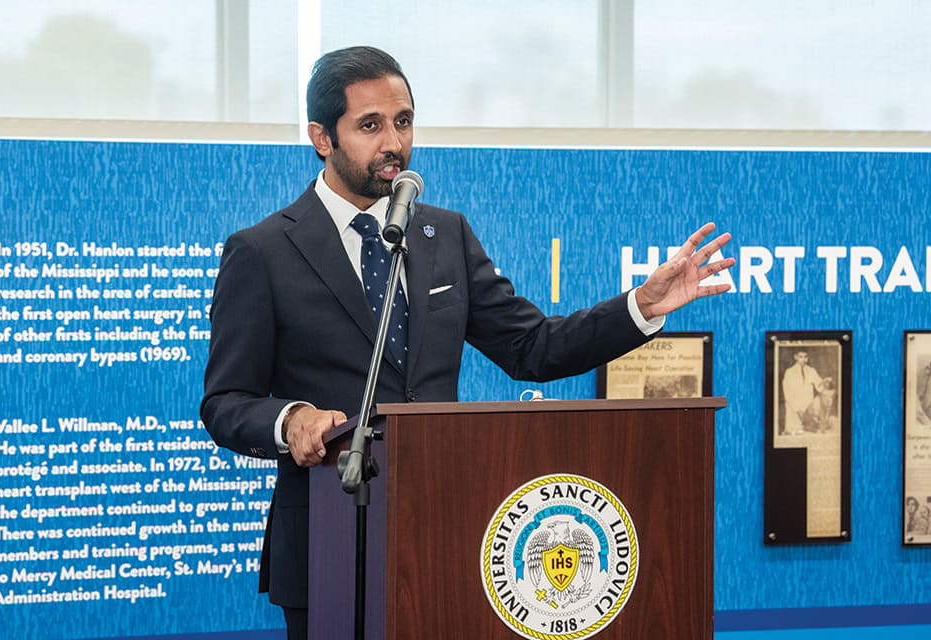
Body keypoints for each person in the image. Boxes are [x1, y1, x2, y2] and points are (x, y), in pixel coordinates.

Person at [200, 45, 734, 638]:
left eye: (403, 122)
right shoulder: (264, 250)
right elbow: (226, 403)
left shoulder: (444, 234)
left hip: (449, 534)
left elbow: (533, 348)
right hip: (328, 541)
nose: (393, 144)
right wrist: (292, 418)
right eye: (370, 125)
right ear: (321, 138)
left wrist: (641, 307)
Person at [780, 350, 823, 435]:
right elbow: (787, 394)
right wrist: (797, 409)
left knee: (810, 436)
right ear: (795, 357)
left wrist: (825, 383)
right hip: (794, 410)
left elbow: (819, 386)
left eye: (805, 357)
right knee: (795, 435)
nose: (803, 359)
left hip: (808, 410)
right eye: (800, 357)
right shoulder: (789, 372)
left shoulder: (811, 370)